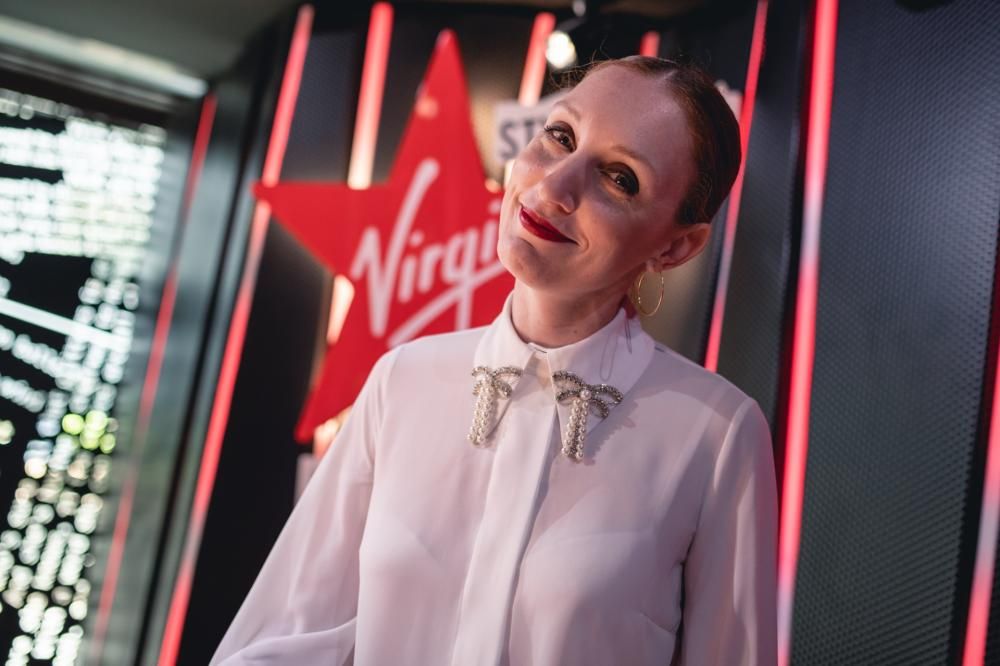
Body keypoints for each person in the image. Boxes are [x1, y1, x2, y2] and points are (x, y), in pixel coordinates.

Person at [211, 55, 778, 665]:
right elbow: (288, 639)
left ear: (676, 246)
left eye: (620, 178)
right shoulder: (402, 381)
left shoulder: (717, 435)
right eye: (560, 136)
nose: (554, 187)